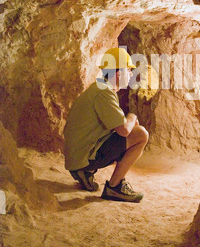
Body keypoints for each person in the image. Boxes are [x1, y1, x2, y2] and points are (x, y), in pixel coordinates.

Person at [63, 47, 149, 203]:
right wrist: (132, 116)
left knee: (133, 138)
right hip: (83, 155)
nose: (131, 74)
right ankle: (114, 188)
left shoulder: (100, 88)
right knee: (141, 135)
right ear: (118, 73)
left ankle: (85, 170)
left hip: (78, 154)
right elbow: (124, 130)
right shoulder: (104, 92)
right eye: (128, 70)